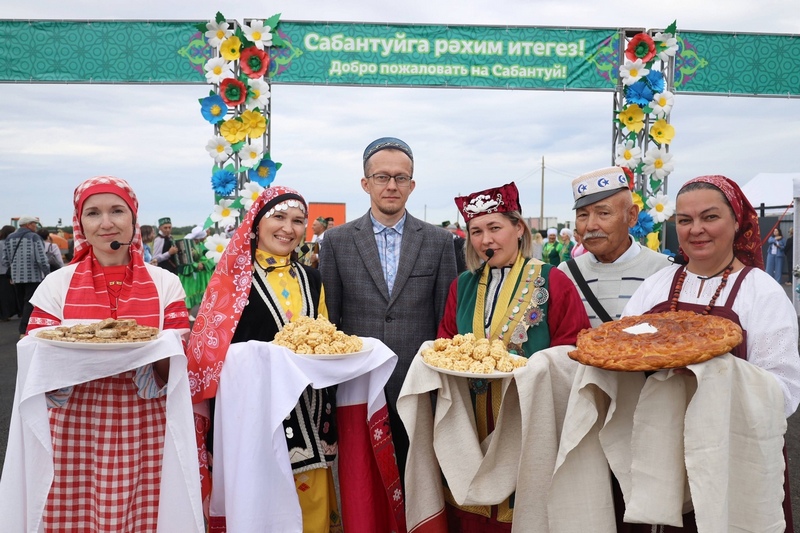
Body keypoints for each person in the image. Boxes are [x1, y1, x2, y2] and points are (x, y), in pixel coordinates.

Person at [186, 185, 404, 531]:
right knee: (262, 506)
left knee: (313, 508)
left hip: (312, 415)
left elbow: (323, 339)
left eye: (298, 220)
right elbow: (209, 357)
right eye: (279, 217)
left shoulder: (312, 278)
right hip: (256, 418)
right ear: (256, 223)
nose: (288, 228)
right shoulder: (231, 282)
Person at [0, 176, 202, 531]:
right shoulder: (57, 283)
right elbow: (37, 358)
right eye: (93, 213)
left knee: (146, 512)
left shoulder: (164, 283)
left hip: (145, 422)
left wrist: (162, 350)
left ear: (133, 219)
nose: (106, 222)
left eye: (116, 211)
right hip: (76, 423)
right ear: (80, 224)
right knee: (74, 513)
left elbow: (175, 362)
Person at [422, 181, 590, 531]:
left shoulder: (553, 282)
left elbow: (574, 350)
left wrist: (537, 368)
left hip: (527, 420)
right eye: (477, 231)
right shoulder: (462, 286)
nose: (486, 241)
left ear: (519, 228)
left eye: (495, 228)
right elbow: (445, 342)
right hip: (470, 421)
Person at [319, 136, 457, 478]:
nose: (391, 185)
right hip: (358, 384)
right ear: (366, 183)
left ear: (412, 184)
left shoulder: (440, 242)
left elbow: (446, 320)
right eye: (382, 177)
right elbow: (330, 320)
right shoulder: (337, 241)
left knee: (419, 480)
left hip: (418, 385)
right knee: (364, 482)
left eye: (400, 177)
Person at [558, 166, 671, 327]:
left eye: (603, 213)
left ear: (632, 216)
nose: (590, 226)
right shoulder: (565, 274)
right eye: (583, 215)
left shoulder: (665, 270)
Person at [1, 215, 48, 337]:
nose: (36, 226)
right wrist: (47, 273)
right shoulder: (34, 237)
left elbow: (5, 259)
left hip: (16, 277)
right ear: (28, 225)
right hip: (33, 276)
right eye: (34, 224)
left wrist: (13, 270)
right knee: (30, 302)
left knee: (22, 302)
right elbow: (41, 258)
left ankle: (25, 325)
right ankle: (24, 329)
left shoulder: (9, 238)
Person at [178, 225, 214, 315]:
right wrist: (195, 264)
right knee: (187, 293)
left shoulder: (198, 244)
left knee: (195, 292)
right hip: (186, 272)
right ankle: (186, 316)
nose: (205, 236)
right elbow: (185, 260)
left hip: (194, 272)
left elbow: (200, 256)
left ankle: (200, 314)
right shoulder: (187, 244)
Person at [0, 225, 20, 321]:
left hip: (2, 272)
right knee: (11, 295)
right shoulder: (9, 243)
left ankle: (4, 314)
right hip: (7, 272)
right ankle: (13, 312)